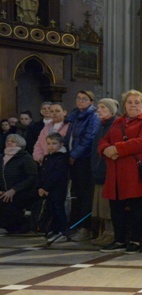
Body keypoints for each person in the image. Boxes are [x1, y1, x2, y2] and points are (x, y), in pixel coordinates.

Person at [98, 90, 142, 254]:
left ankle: (135, 241)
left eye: (137, 102)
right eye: (129, 102)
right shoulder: (118, 122)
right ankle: (119, 240)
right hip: (116, 172)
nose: (133, 105)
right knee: (116, 207)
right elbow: (104, 140)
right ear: (124, 105)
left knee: (136, 207)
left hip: (135, 172)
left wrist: (116, 149)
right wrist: (105, 150)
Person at [64, 90, 101, 242]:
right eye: (78, 98)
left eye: (84, 99)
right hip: (74, 159)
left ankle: (86, 228)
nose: (80, 101)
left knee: (86, 195)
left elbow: (89, 138)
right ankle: (77, 226)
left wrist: (74, 155)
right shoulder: (74, 116)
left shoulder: (93, 116)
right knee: (77, 194)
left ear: (91, 102)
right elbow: (69, 137)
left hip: (84, 160)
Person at [90, 98, 120, 247]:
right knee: (100, 206)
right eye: (99, 107)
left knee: (107, 206)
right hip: (99, 168)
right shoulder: (101, 125)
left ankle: (111, 232)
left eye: (103, 107)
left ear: (111, 110)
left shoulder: (115, 124)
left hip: (108, 170)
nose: (99, 110)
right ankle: (105, 232)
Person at [0, 134, 38, 234]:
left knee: (9, 202)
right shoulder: (2, 157)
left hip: (23, 191)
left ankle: (17, 227)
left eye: (13, 141)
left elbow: (32, 177)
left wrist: (14, 190)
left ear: (20, 144)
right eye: (8, 141)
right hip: (5, 190)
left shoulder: (25, 157)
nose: (9, 143)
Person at [37, 133, 69, 243]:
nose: (51, 146)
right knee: (50, 209)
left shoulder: (62, 157)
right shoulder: (47, 157)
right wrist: (40, 186)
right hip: (46, 189)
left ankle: (63, 231)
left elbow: (57, 174)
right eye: (49, 144)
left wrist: (46, 187)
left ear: (61, 144)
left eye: (54, 143)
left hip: (57, 189)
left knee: (58, 208)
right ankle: (53, 229)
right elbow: (42, 173)